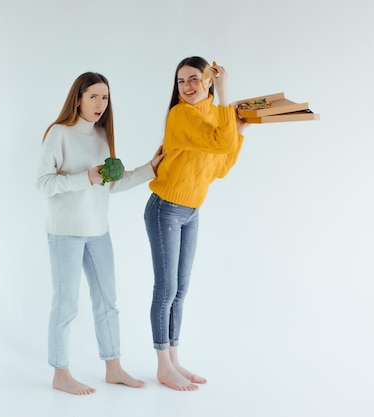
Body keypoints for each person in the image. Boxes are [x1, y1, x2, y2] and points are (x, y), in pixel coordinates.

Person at [37, 72, 165, 395]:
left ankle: (113, 367)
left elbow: (113, 183)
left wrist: (151, 168)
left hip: (99, 231)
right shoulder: (58, 134)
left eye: (105, 98)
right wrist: (85, 178)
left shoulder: (102, 135)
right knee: (66, 303)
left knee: (107, 301)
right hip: (64, 232)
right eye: (93, 96)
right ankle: (60, 373)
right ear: (77, 97)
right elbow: (44, 183)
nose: (100, 104)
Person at [144, 57, 247, 391]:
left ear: (208, 81)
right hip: (166, 209)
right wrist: (228, 95)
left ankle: (174, 360)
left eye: (194, 79)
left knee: (181, 289)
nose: (187, 87)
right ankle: (163, 365)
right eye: (180, 81)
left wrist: (239, 131)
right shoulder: (181, 114)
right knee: (167, 289)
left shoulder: (217, 117)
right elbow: (221, 142)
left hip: (192, 211)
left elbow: (219, 168)